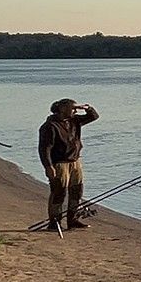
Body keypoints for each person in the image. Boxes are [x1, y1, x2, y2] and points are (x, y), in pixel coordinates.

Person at [39, 98, 98, 230]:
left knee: (76, 191)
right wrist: (48, 167)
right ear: (62, 109)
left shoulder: (74, 121)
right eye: (72, 108)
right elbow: (45, 148)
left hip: (75, 161)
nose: (75, 111)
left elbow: (93, 116)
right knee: (59, 192)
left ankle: (73, 220)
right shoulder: (50, 126)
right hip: (59, 163)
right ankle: (54, 222)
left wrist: (86, 108)